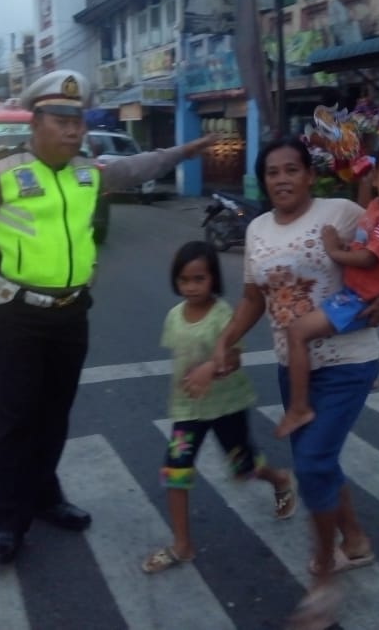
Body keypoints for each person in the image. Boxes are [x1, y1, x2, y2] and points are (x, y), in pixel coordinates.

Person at [0, 68, 217, 566]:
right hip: (13, 312)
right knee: (17, 418)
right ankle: (10, 521)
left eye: (78, 120)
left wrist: (184, 152)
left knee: (54, 415)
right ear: (36, 122)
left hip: (70, 312)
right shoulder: (0, 168)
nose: (74, 129)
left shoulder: (87, 171)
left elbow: (138, 166)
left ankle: (46, 496)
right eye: (62, 119)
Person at [184, 137, 379, 630]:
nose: (282, 179)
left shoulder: (344, 211)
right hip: (295, 367)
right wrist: (225, 340)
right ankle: (356, 542)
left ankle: (325, 580)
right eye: (272, 172)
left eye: (291, 170)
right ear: (264, 181)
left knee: (312, 463)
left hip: (348, 361)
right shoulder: (259, 229)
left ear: (310, 175)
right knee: (320, 462)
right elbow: (251, 299)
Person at [141, 240, 297, 574]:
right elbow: (180, 359)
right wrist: (191, 379)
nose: (192, 286)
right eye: (184, 280)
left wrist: (214, 368)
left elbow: (235, 359)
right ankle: (182, 545)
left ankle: (280, 479)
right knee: (175, 472)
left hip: (227, 407)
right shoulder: (173, 316)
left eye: (199, 278)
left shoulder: (223, 315)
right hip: (187, 412)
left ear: (213, 279)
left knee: (244, 467)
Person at [276, 134, 379, 438]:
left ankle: (298, 408)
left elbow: (371, 257)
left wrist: (334, 250)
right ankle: (363, 378)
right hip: (359, 293)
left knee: (297, 332)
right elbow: (369, 240)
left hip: (358, 296)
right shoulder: (377, 206)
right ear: (376, 176)